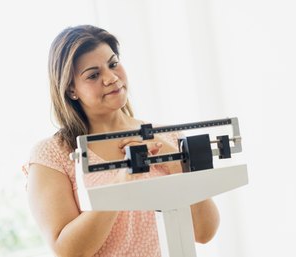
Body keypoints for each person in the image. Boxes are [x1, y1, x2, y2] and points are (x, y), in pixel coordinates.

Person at [22, 24, 220, 257]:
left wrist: (177, 164)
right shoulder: (52, 155)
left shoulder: (168, 137)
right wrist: (122, 181)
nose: (111, 78)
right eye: (93, 75)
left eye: (113, 64)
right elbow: (68, 251)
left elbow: (205, 232)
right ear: (70, 89)